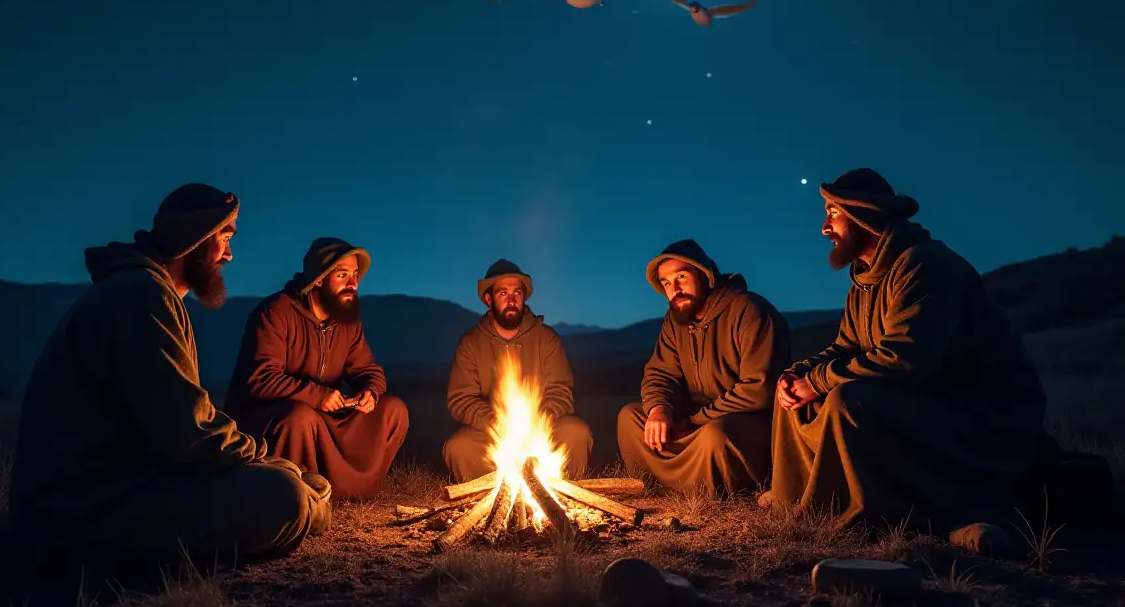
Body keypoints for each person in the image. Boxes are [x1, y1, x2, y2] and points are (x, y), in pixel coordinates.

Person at [8, 184, 330, 564]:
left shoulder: (145, 292)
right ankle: (310, 510)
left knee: (285, 478)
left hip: (111, 489)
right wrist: (265, 459)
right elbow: (185, 431)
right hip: (80, 512)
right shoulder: (142, 297)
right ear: (194, 237)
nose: (229, 254)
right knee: (283, 496)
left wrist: (266, 461)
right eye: (224, 237)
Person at [764, 168, 1048, 531]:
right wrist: (800, 373)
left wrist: (817, 381)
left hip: (978, 412)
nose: (824, 227)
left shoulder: (926, 265)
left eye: (833, 213)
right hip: (921, 398)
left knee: (847, 401)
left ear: (863, 215)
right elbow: (846, 347)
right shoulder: (865, 282)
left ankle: (880, 514)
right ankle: (802, 500)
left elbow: (905, 357)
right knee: (794, 392)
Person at [225, 237, 409, 499]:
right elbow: (260, 378)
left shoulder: (346, 321)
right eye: (342, 275)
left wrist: (370, 391)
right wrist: (318, 396)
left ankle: (354, 491)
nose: (353, 284)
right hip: (271, 419)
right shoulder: (276, 312)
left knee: (393, 410)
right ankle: (297, 492)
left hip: (322, 419)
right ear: (319, 278)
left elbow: (369, 370)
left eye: (355, 275)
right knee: (300, 418)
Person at [617, 239, 792, 495]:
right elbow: (661, 373)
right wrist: (659, 410)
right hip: (694, 422)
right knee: (631, 418)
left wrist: (695, 420)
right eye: (666, 283)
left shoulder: (750, 311)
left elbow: (759, 389)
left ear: (705, 276)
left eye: (682, 277)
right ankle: (653, 488)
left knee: (715, 436)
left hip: (743, 423)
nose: (674, 289)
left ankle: (713, 491)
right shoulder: (675, 321)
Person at [443, 259, 593, 482]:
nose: (512, 300)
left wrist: (539, 421)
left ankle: (563, 498)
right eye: (503, 293)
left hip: (542, 429)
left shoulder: (546, 339)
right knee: (459, 447)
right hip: (492, 433)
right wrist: (497, 424)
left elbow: (560, 392)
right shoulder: (471, 343)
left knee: (576, 433)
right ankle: (487, 503)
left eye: (517, 293)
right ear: (488, 299)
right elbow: (461, 399)